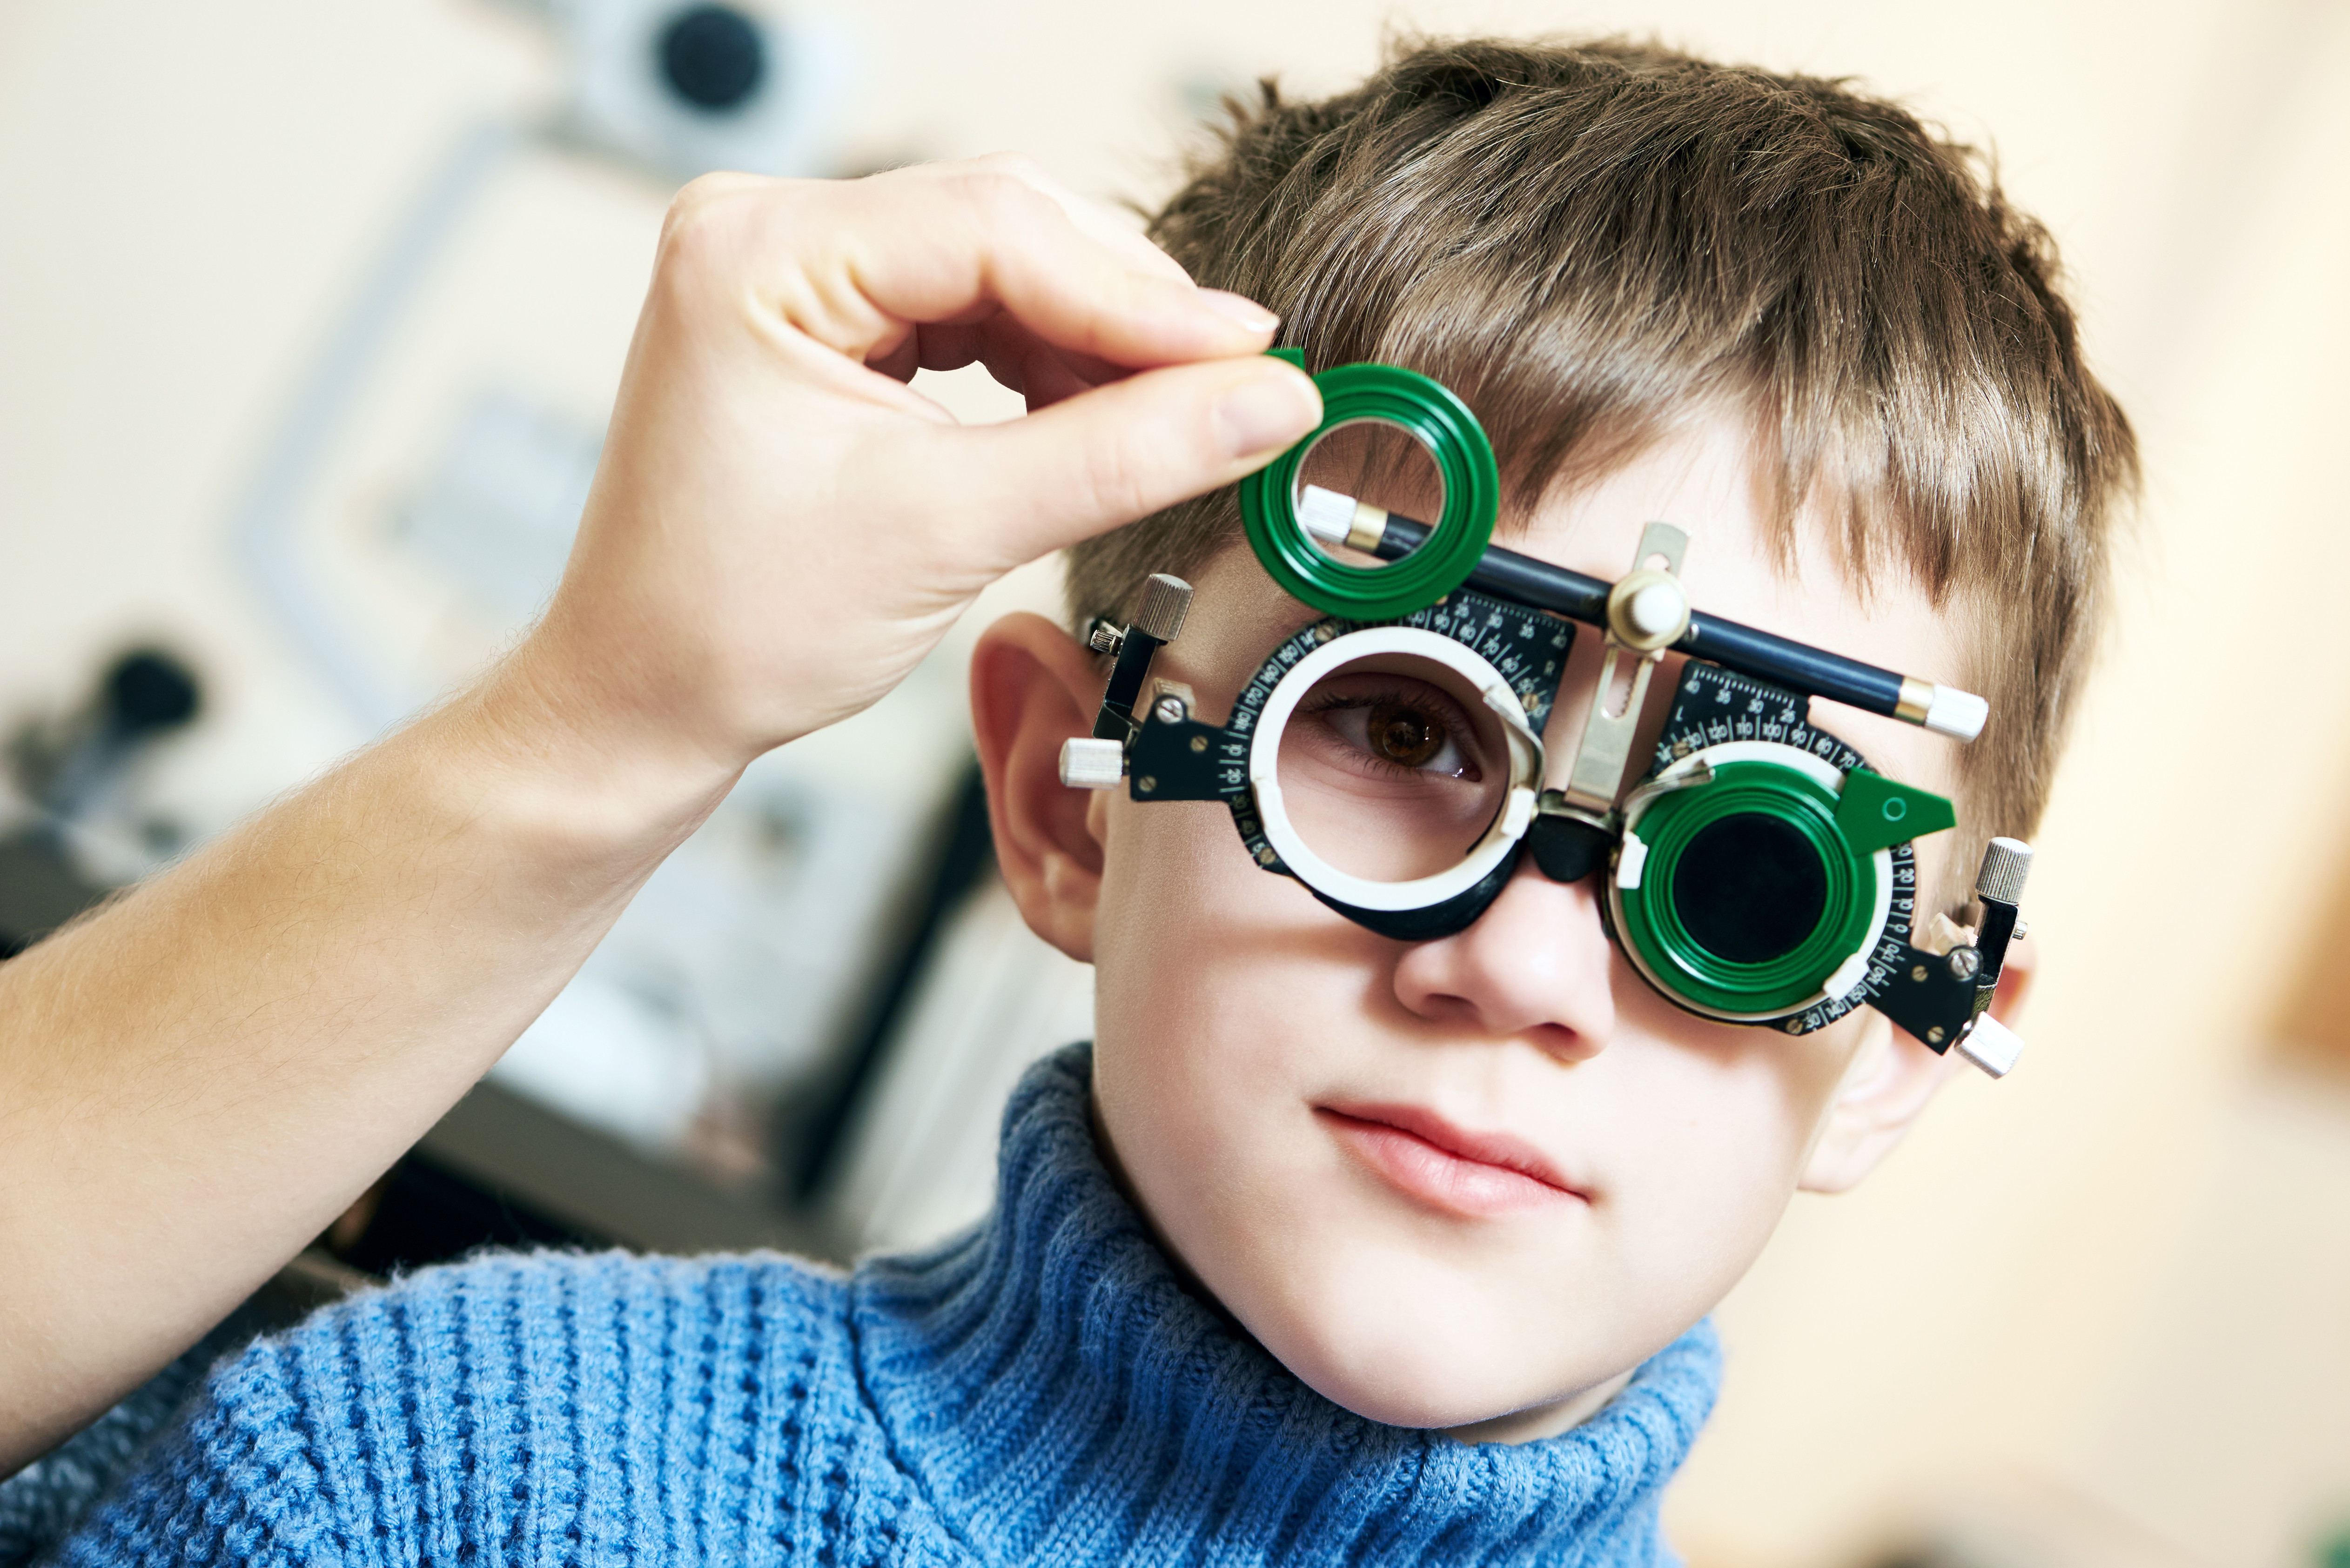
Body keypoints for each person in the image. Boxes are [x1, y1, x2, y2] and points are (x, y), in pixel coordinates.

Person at [0, 35, 2133, 1566]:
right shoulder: (451, 1475)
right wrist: (604, 714)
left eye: (1750, 864)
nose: (1515, 962)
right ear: (1065, 792)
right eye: (1396, 726)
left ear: (1904, 1044)